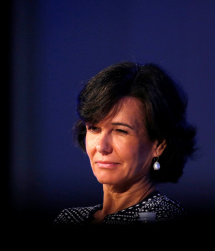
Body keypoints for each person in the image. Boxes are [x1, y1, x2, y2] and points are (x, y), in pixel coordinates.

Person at [52, 61, 197, 228]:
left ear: (159, 145)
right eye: (94, 129)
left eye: (120, 131)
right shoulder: (70, 218)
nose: (101, 147)